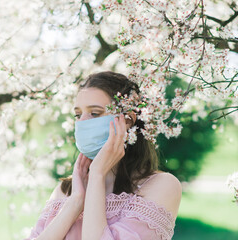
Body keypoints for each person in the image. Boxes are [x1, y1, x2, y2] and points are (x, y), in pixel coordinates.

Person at [26, 71, 182, 240]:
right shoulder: (66, 191)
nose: (82, 122)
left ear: (127, 120)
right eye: (78, 115)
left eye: (94, 113)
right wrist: (75, 202)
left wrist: (97, 175)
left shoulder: (161, 186)